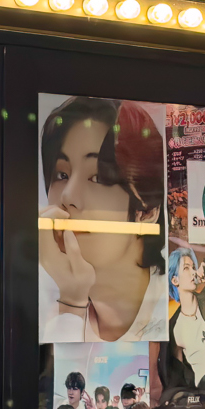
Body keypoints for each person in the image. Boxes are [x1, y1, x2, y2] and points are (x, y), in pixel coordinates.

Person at [39, 98, 167, 342]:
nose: (67, 196)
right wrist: (71, 300)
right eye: (62, 174)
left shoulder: (175, 304)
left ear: (147, 211)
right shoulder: (39, 299)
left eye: (98, 178)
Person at [165, 246, 205, 383]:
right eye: (186, 268)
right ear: (175, 280)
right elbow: (178, 375)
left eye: (193, 267)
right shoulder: (174, 328)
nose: (193, 272)